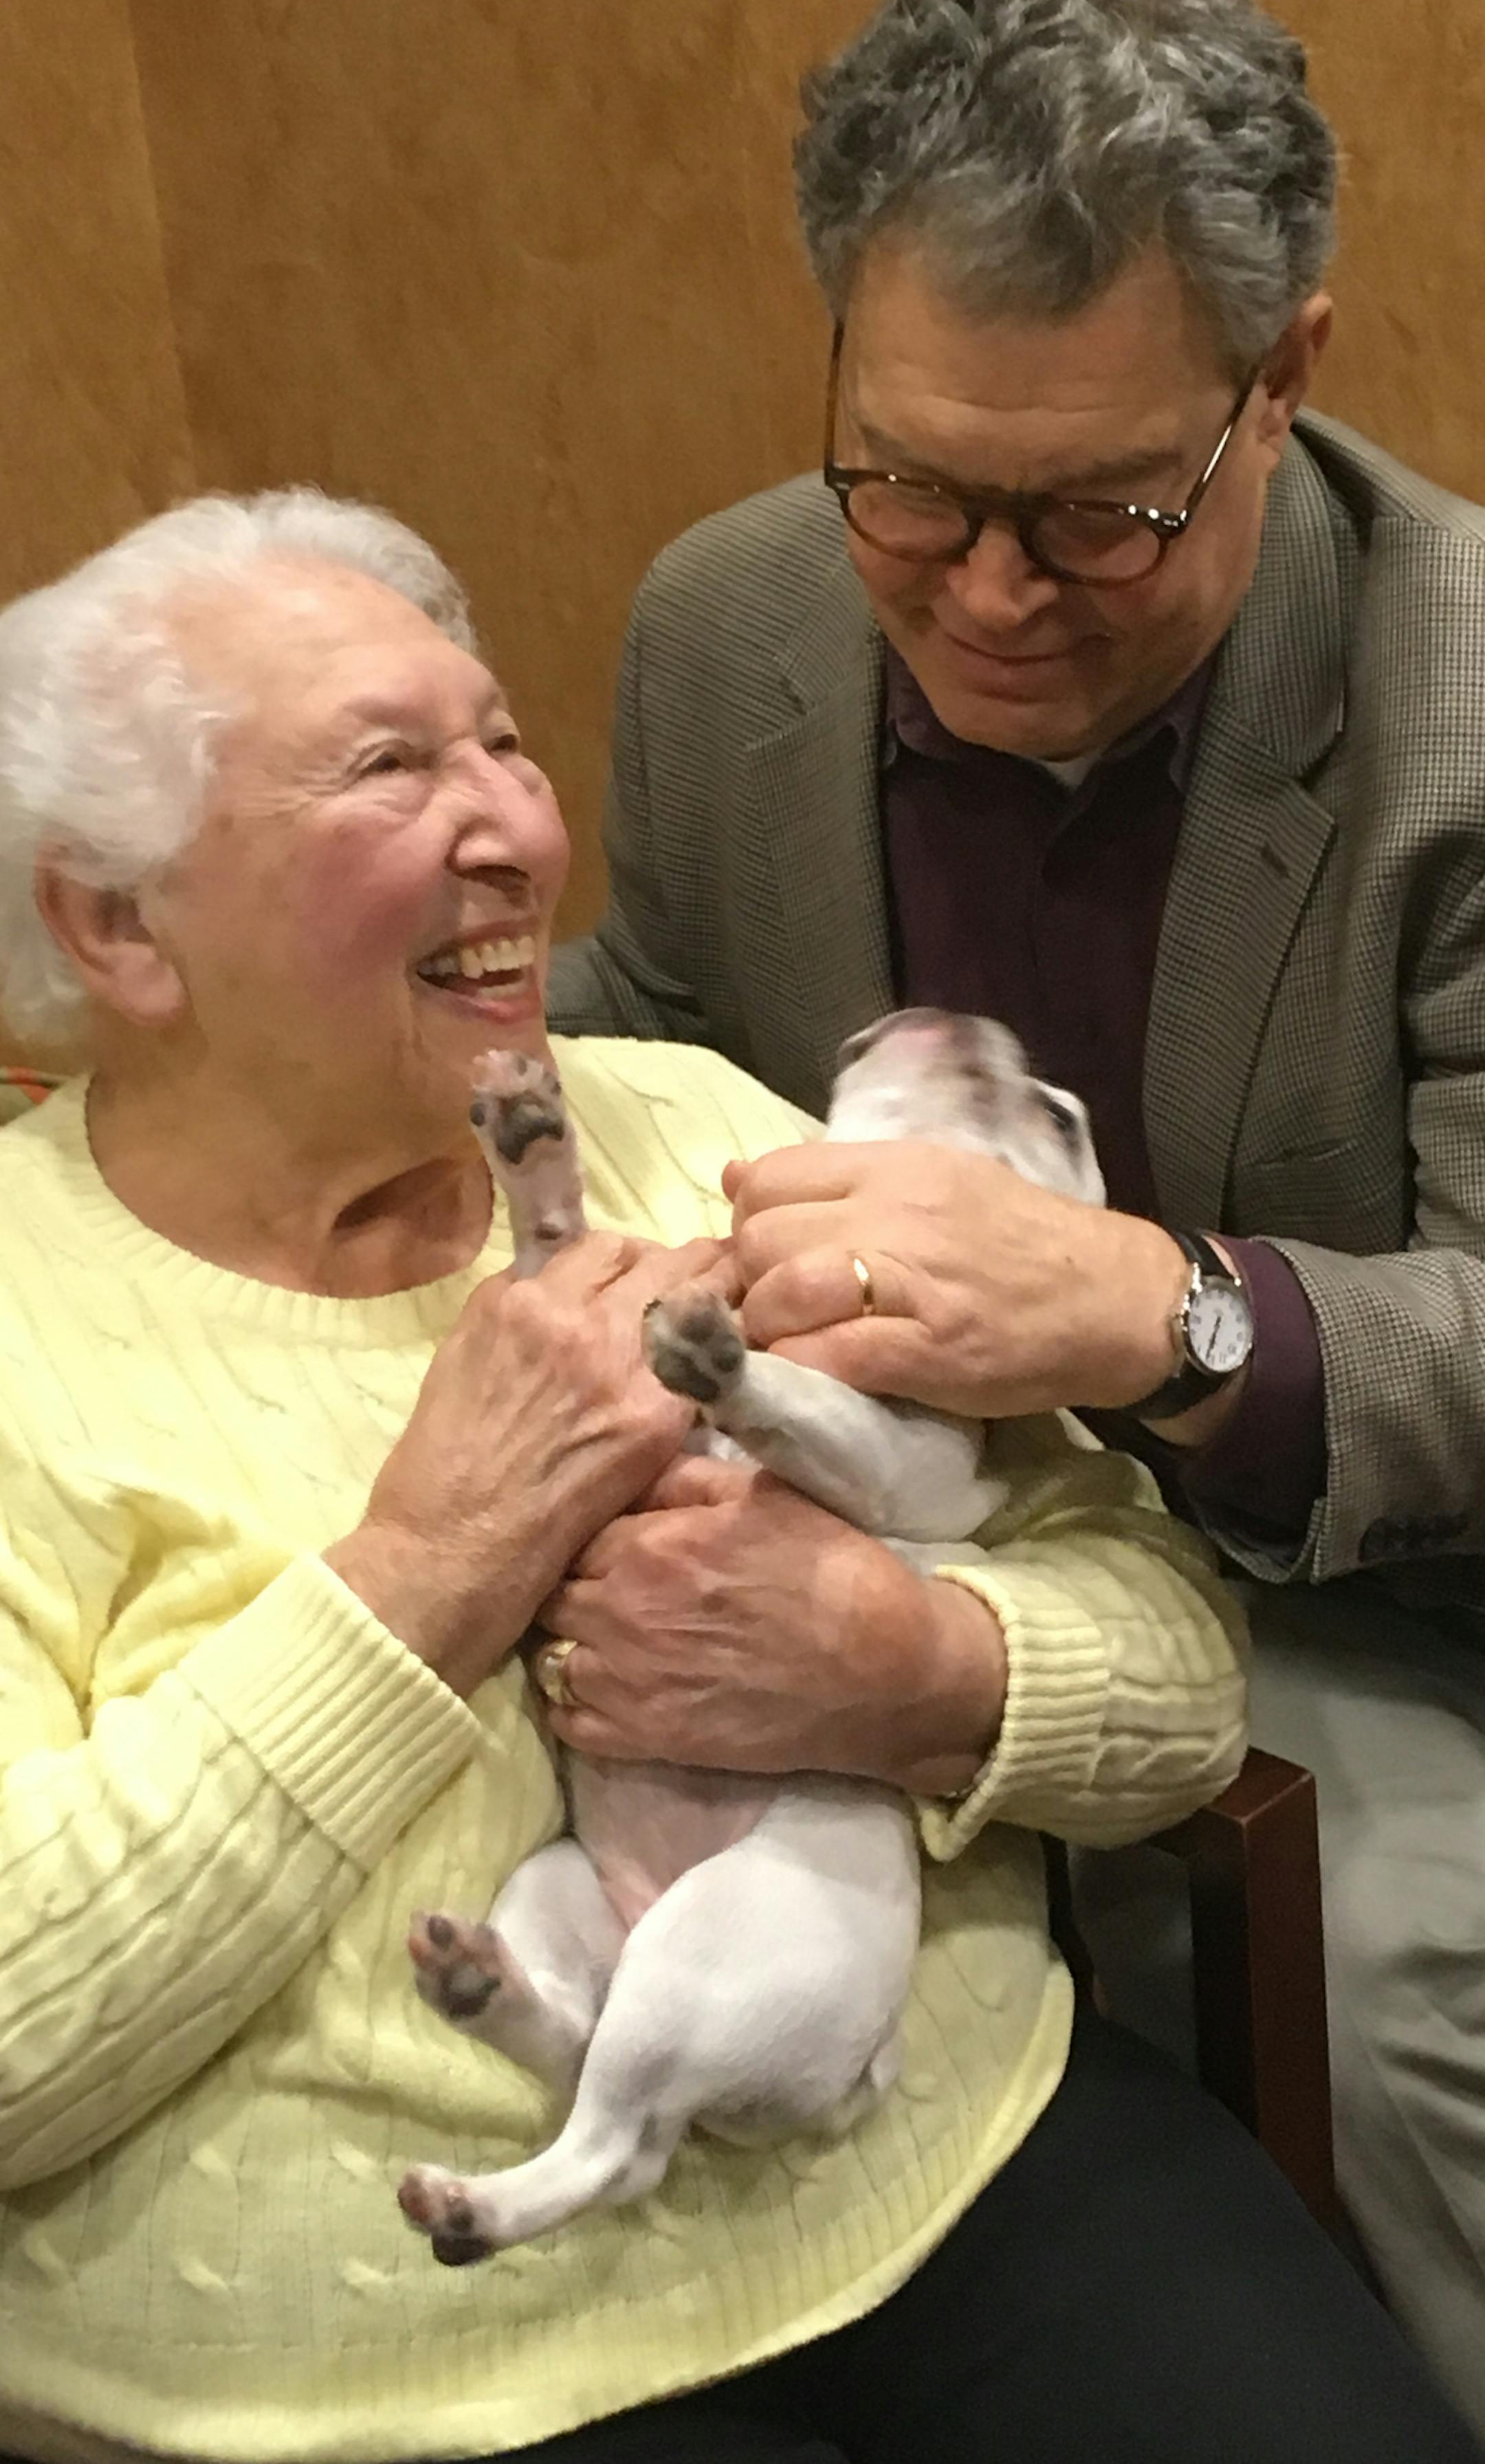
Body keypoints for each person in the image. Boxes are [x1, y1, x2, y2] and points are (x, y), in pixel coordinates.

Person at [0, 493, 1472, 2464]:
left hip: (947, 2165)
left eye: (504, 742)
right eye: (390, 767)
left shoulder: (706, 1132)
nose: (520, 826)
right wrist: (428, 1568)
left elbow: (1175, 1660)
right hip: (396, 2357)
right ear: (116, 919)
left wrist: (916, 1666)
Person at [546, 0, 1485, 2426]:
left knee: (1386, 1999)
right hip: (856, 1526)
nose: (984, 598)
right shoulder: (729, 617)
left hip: (1351, 1609)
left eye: (1095, 517)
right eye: (916, 487)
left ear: (1282, 383)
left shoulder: (1466, 709)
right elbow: (637, 1027)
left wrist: (1165, 1317)